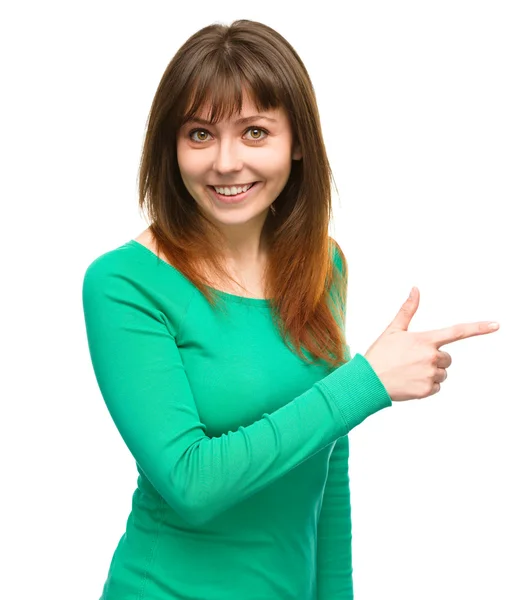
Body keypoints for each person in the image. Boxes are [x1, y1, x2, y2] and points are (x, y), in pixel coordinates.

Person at [81, 19, 499, 600]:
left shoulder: (322, 265)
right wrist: (365, 383)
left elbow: (328, 464)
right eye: (199, 134)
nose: (226, 162)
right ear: (170, 147)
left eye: (255, 132)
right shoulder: (123, 284)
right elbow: (191, 482)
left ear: (297, 141)